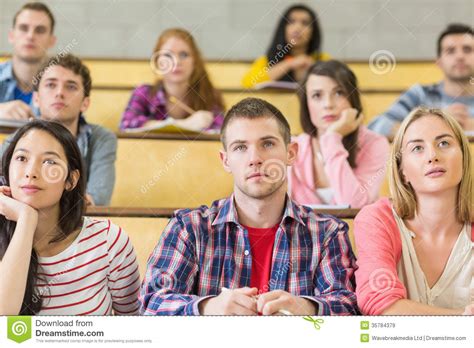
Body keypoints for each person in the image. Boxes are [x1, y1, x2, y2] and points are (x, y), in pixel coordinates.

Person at [139, 97, 358, 316]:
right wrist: (208, 308)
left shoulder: (327, 232)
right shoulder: (189, 228)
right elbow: (151, 304)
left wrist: (307, 308)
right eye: (241, 147)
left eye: (268, 144)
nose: (255, 158)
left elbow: (348, 306)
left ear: (291, 153)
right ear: (226, 161)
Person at [0, 120, 140, 315]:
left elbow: (134, 324)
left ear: (71, 180)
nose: (31, 172)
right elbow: (3, 325)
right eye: (22, 158)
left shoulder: (108, 241)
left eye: (49, 161)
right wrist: (26, 219)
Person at [355, 107, 473, 315]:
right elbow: (379, 304)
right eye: (417, 148)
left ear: (464, 159)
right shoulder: (377, 219)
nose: (433, 156)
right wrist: (463, 318)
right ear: (402, 172)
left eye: (444, 143)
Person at [1, 54, 117, 206]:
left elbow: (98, 200)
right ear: (36, 98)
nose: (59, 93)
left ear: (85, 103)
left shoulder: (101, 138)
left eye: (71, 87)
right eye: (50, 85)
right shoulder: (15, 140)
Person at [289, 60, 390, 208]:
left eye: (338, 93)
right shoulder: (293, 148)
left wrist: (332, 138)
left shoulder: (375, 144)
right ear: (306, 104)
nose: (328, 104)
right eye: (317, 95)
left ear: (352, 99)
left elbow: (353, 205)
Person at [369, 24, 474, 136]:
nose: (460, 56)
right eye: (450, 51)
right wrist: (436, 123)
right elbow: (375, 126)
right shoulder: (420, 94)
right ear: (439, 62)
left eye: (467, 50)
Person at [120, 28, 225, 132]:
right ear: (157, 62)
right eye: (167, 55)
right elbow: (126, 125)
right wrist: (186, 124)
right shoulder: (143, 93)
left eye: (184, 55)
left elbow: (222, 132)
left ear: (195, 62)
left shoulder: (210, 95)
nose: (176, 62)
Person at [241, 4, 330, 88]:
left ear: (313, 31)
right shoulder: (268, 60)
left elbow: (337, 83)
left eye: (305, 23)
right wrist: (290, 64)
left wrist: (313, 69)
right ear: (283, 29)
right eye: (291, 22)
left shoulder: (323, 59)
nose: (297, 28)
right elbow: (247, 84)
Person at [0, 2, 56, 120]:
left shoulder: (63, 85)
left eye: (40, 30)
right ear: (11, 35)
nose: (30, 36)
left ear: (52, 40)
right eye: (23, 28)